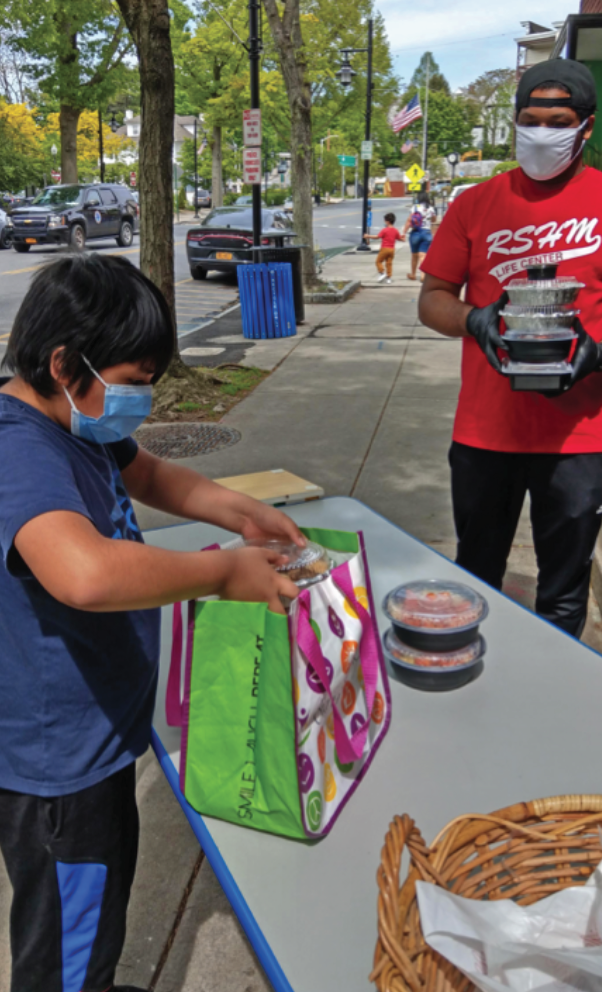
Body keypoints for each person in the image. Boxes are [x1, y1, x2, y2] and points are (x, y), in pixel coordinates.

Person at [0, 252, 304, 992]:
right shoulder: (19, 450)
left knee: (101, 900)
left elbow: (152, 474)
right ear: (65, 362)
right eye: (134, 385)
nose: (141, 402)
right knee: (68, 933)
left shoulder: (76, 418)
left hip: (98, 734)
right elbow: (86, 573)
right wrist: (225, 571)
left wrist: (241, 512)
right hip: (58, 766)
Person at [418, 58, 602, 639]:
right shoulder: (475, 204)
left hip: (580, 436)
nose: (542, 132)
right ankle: (479, 690)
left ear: (586, 127)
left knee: (565, 590)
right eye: (530, 119)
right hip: (485, 432)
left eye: (559, 120)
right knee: (475, 581)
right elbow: (432, 298)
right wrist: (475, 320)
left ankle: (553, 696)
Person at [401, 192, 437, 281]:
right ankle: (422, 275)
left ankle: (413, 274)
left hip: (415, 233)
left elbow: (409, 221)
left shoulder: (415, 208)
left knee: (414, 255)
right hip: (427, 233)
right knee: (423, 255)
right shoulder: (431, 208)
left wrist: (404, 232)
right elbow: (434, 220)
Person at [363, 211, 403, 283]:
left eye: (385, 221)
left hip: (384, 248)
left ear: (387, 221)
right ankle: (389, 278)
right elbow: (399, 238)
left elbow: (377, 237)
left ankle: (382, 273)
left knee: (378, 261)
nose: (384, 222)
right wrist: (403, 238)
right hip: (392, 250)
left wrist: (367, 236)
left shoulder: (384, 230)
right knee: (389, 263)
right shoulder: (395, 230)